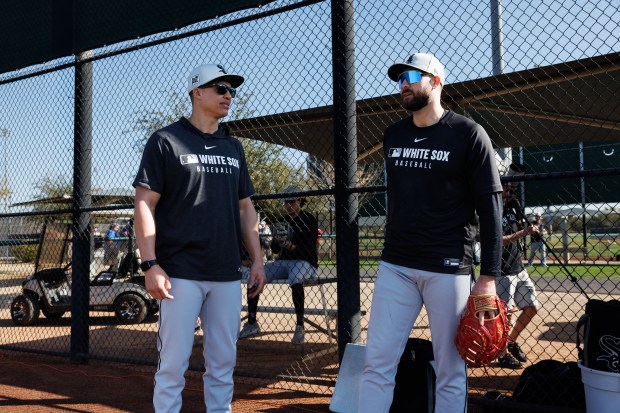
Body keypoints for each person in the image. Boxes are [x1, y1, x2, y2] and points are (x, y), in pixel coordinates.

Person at [357, 53, 503, 413]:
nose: (403, 84)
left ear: (436, 81)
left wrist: (488, 278)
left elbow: (490, 208)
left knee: (451, 369)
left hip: (448, 265)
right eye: (399, 79)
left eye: (410, 76)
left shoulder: (468, 133)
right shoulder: (394, 134)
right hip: (397, 264)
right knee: (377, 363)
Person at [132, 63, 267, 413]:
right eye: (220, 88)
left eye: (231, 90)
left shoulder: (234, 147)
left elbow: (245, 209)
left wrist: (257, 259)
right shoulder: (165, 140)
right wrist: (150, 263)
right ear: (197, 92)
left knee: (223, 364)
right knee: (172, 365)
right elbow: (144, 204)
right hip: (179, 272)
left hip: (225, 272)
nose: (228, 95)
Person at [238, 187, 318, 344]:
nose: (288, 205)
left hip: (306, 263)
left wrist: (289, 245)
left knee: (296, 275)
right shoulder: (284, 220)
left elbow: (308, 249)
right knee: (255, 275)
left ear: (300, 201)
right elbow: (275, 250)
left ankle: (299, 326)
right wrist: (276, 241)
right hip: (284, 262)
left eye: (292, 201)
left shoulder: (309, 219)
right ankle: (252, 322)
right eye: (285, 202)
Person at [496, 183, 540, 368]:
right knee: (504, 315)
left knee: (532, 306)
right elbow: (497, 240)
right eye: (504, 190)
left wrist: (533, 228)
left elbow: (521, 229)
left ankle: (511, 341)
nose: (507, 194)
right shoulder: (490, 210)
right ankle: (502, 354)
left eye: (508, 190)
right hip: (502, 270)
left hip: (518, 267)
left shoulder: (512, 207)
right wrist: (523, 233)